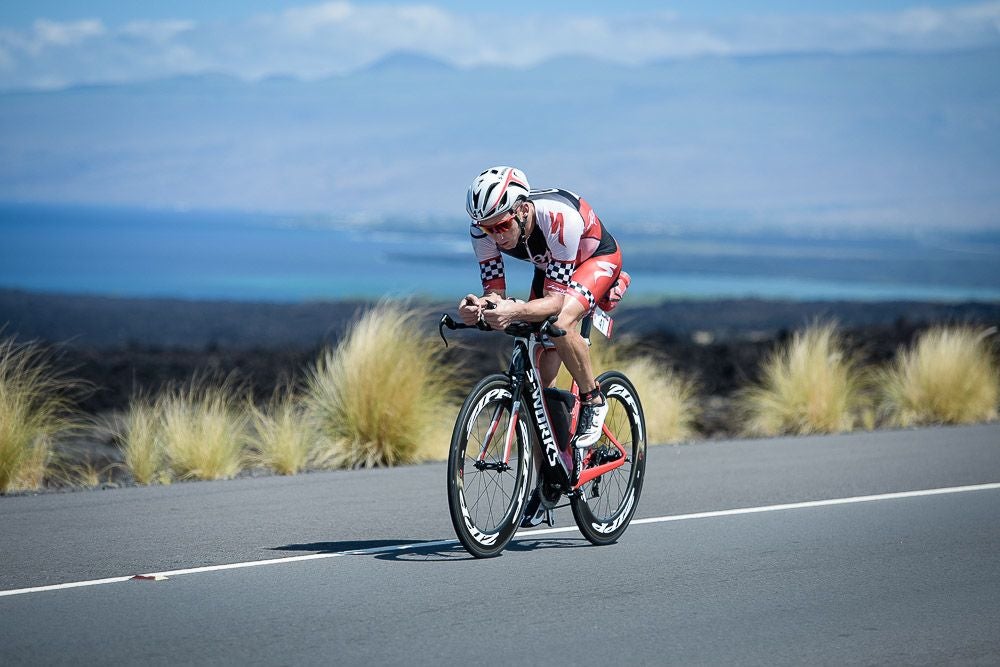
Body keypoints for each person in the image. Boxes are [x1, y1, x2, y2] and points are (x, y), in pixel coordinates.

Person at [457, 166, 627, 527]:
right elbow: (495, 293)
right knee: (539, 381)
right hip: (552, 266)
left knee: (562, 323)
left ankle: (594, 399)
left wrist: (514, 309)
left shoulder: (557, 218)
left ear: (522, 209)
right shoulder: (483, 227)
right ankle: (552, 476)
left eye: (502, 226)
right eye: (488, 229)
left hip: (596, 260)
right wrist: (479, 308)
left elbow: (554, 302)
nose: (495, 236)